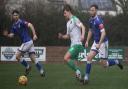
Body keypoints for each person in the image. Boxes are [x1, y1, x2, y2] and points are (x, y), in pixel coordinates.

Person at [83, 4, 123, 84]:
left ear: (96, 11)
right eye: (90, 10)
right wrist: (87, 41)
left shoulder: (98, 20)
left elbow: (103, 33)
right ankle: (86, 77)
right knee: (89, 57)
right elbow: (90, 30)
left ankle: (116, 61)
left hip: (103, 43)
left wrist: (99, 44)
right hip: (96, 42)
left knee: (104, 65)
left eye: (93, 10)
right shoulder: (90, 20)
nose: (91, 11)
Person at [3, 10, 45, 77]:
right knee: (33, 58)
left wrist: (34, 34)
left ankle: (28, 67)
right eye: (14, 15)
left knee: (17, 56)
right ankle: (41, 70)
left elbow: (30, 25)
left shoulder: (21, 22)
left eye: (17, 15)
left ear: (18, 16)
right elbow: (12, 35)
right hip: (29, 42)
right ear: (12, 16)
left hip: (27, 42)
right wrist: (7, 35)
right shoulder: (13, 25)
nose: (15, 16)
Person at [58, 4, 86, 81]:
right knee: (75, 63)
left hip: (77, 45)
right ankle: (82, 78)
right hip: (73, 45)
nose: (64, 15)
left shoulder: (75, 19)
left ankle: (80, 72)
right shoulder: (68, 23)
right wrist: (62, 36)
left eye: (65, 13)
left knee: (65, 58)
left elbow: (83, 27)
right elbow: (68, 36)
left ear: (69, 11)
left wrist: (82, 36)